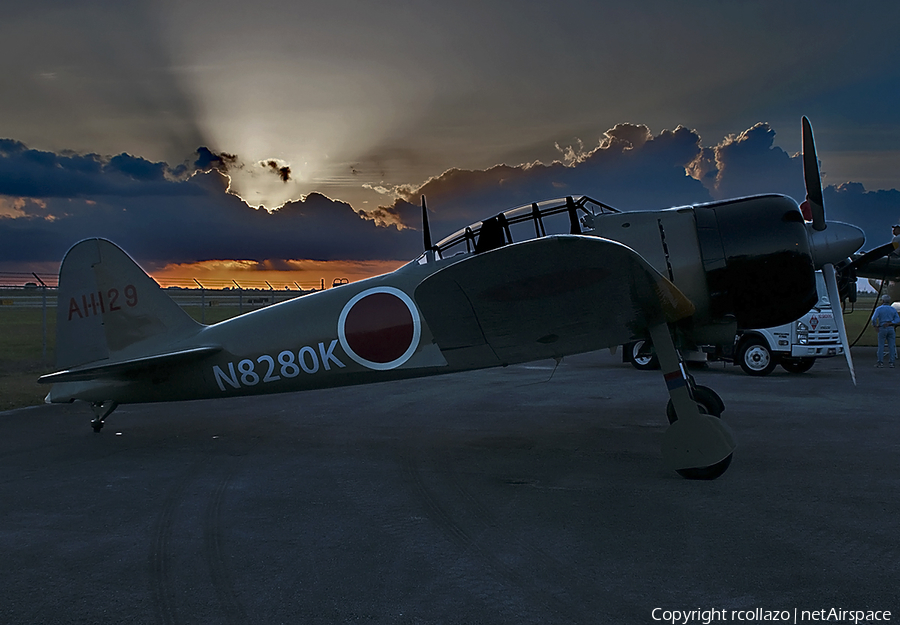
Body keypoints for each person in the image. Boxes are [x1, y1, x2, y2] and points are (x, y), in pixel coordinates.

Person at [871, 295, 900, 367]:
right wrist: (891, 323)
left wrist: (875, 326)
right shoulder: (893, 309)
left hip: (882, 328)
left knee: (881, 345)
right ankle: (891, 362)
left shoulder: (879, 309)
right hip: (891, 328)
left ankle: (880, 362)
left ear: (882, 301)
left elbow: (873, 318)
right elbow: (898, 319)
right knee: (891, 346)